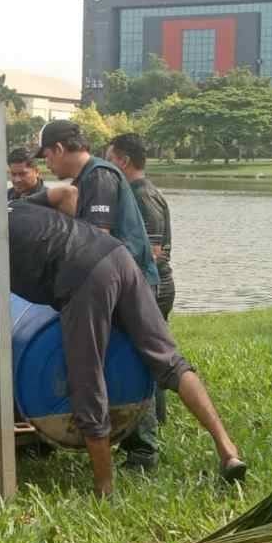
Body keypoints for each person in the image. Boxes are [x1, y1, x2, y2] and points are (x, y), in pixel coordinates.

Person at [0, 203, 247, 497]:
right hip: (115, 255)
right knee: (167, 360)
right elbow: (65, 196)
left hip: (82, 277)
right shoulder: (4, 209)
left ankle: (104, 486)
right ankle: (227, 449)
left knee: (85, 379)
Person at [31, 120, 161, 470]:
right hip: (115, 279)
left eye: (46, 156)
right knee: (128, 357)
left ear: (59, 149)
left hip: (127, 280)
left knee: (135, 358)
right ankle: (130, 439)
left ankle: (144, 449)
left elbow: (95, 239)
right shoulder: (86, 179)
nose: (47, 165)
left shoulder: (99, 177)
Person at [106, 133, 175, 425]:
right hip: (145, 285)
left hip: (152, 286)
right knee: (149, 355)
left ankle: (150, 425)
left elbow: (153, 252)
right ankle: (154, 420)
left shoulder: (141, 196)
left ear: (123, 161)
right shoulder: (133, 193)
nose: (107, 168)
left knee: (150, 355)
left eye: (109, 161)